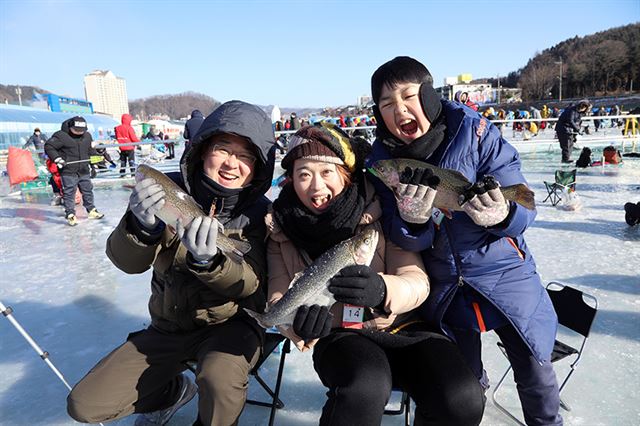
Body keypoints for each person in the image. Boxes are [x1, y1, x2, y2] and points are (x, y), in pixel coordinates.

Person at [366, 56, 562, 426]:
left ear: (428, 95)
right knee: (463, 383)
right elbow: (399, 236)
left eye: (408, 96)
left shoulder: (477, 133)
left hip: (506, 275)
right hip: (444, 286)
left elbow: (524, 211)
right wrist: (412, 222)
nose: (400, 110)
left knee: (536, 372)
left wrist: (502, 215)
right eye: (387, 104)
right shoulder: (384, 164)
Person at [66, 100, 276, 426]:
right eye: (223, 149)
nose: (232, 164)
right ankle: (174, 391)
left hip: (232, 329)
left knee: (219, 380)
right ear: (203, 150)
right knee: (84, 404)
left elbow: (251, 284)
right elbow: (127, 263)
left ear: (258, 166)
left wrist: (209, 262)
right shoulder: (166, 190)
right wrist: (141, 228)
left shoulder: (261, 214)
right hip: (168, 328)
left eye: (246, 156)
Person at [266, 123, 485, 425]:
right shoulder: (280, 229)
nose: (316, 186)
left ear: (346, 174)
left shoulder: (382, 209)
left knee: (463, 397)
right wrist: (297, 326)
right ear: (290, 180)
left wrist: (383, 290)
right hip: (340, 335)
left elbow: (417, 280)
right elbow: (278, 296)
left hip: (405, 327)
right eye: (304, 174)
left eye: (327, 172)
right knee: (364, 388)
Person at [44, 116, 105, 226]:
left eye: (81, 130)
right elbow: (49, 147)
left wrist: (94, 164)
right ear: (71, 127)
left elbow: (90, 151)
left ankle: (91, 210)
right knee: (69, 192)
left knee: (87, 190)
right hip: (68, 170)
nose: (79, 132)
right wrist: (57, 159)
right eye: (76, 130)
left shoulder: (87, 136)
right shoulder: (61, 136)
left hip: (83, 169)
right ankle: (70, 214)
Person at [114, 113, 139, 177]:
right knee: (131, 161)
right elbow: (133, 138)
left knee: (123, 161)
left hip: (122, 148)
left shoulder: (117, 128)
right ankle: (133, 174)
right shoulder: (129, 128)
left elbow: (117, 137)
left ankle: (122, 174)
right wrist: (139, 142)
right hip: (130, 148)